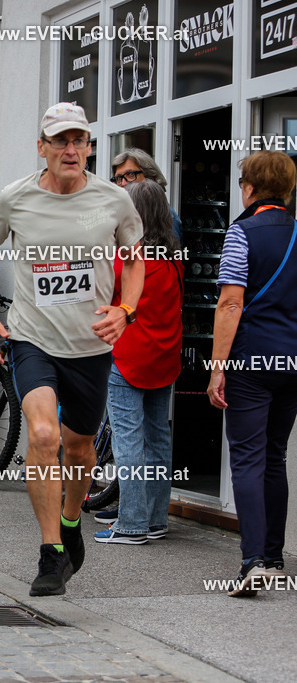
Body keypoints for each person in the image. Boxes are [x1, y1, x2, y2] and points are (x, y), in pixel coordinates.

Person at [0, 103, 144, 596]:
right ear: (42, 148)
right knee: (44, 433)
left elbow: (135, 260)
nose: (71, 150)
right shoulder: (16, 199)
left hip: (90, 346)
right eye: (60, 141)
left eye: (80, 141)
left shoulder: (114, 201)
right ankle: (51, 553)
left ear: (89, 147)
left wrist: (126, 310)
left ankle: (70, 524)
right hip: (33, 339)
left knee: (79, 446)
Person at [207, 150, 297, 597]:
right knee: (275, 457)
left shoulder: (241, 233)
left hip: (249, 359)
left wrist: (216, 367)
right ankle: (276, 558)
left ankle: (253, 561)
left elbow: (230, 303)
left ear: (250, 187)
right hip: (292, 362)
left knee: (247, 457)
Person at [92, 180, 183, 544]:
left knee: (128, 441)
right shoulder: (174, 259)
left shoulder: (126, 260)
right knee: (158, 438)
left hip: (127, 358)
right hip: (164, 358)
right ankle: (156, 517)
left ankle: (130, 523)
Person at [111, 148, 182, 242]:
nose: (123, 183)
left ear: (150, 178)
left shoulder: (164, 217)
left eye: (131, 174)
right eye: (119, 178)